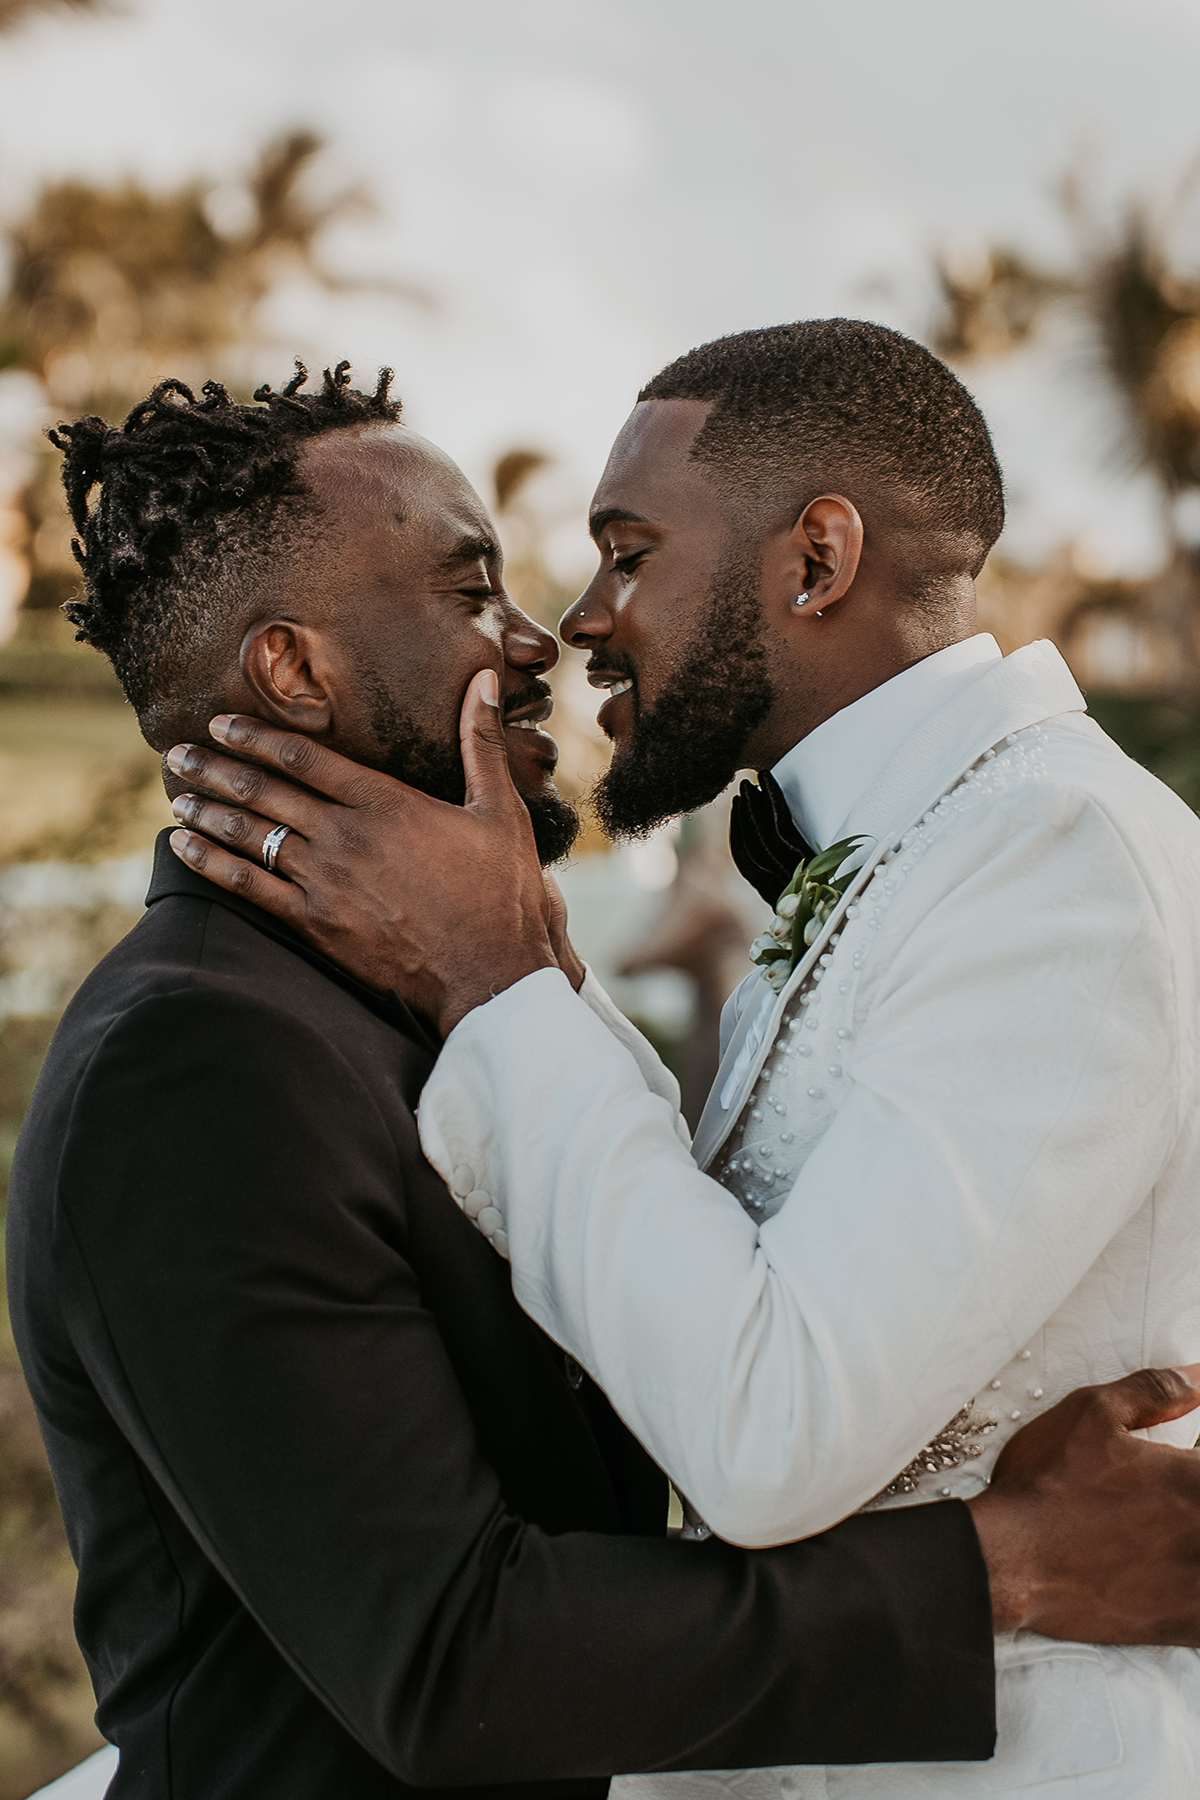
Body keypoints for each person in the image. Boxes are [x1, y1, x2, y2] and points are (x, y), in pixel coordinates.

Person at [168, 324, 1200, 1798]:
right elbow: (721, 1278)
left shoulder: (1057, 862)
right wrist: (536, 969)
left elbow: (768, 1430)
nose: (578, 619)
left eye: (628, 551)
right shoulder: (927, 841)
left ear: (817, 559)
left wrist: (497, 982)